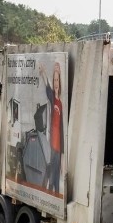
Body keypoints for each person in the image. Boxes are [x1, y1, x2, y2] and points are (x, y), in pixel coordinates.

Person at [39, 60, 64, 193]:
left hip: (58, 143)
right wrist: (44, 74)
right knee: (52, 166)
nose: (55, 83)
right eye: (54, 80)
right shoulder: (53, 100)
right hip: (52, 141)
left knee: (56, 169)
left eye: (57, 80)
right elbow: (48, 88)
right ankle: (50, 189)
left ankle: (54, 190)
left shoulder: (61, 102)